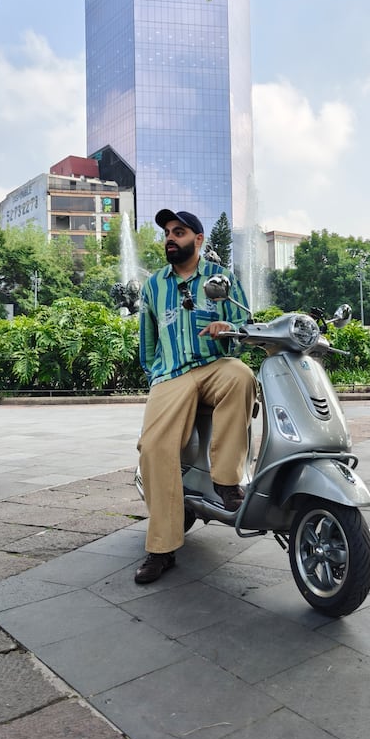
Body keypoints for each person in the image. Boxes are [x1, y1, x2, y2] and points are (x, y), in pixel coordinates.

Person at [134, 209, 257, 584]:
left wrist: (229, 326)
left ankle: (226, 481)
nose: (171, 238)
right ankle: (162, 548)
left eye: (180, 232)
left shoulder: (222, 279)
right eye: (168, 233)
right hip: (172, 373)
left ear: (198, 240)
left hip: (213, 366)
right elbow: (147, 341)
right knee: (153, 447)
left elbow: (246, 326)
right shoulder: (154, 285)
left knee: (241, 375)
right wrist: (155, 375)